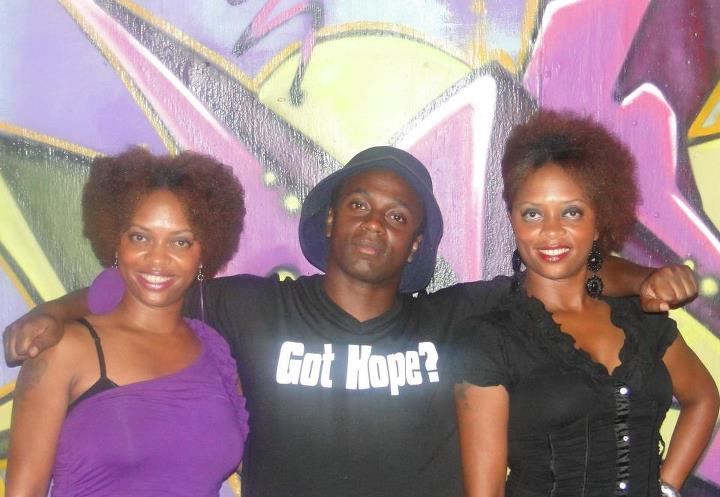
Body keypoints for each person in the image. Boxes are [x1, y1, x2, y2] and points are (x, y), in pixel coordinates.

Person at [3, 146, 697, 497]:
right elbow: (145, 283)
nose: (375, 223)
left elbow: (560, 270)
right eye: (360, 205)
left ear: (416, 244)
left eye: (398, 216)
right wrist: (53, 311)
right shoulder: (252, 307)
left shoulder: (458, 316)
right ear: (331, 218)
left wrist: (645, 278)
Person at [452, 111, 719, 497]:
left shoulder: (642, 319)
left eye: (571, 212)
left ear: (598, 221)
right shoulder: (490, 340)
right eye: (532, 214)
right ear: (513, 220)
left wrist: (667, 486)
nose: (551, 231)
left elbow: (703, 397)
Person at [6, 149, 250, 497]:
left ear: (204, 252)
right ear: (116, 241)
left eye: (180, 242)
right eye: (140, 237)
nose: (157, 258)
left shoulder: (214, 351)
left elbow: (259, 467)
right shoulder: (63, 350)